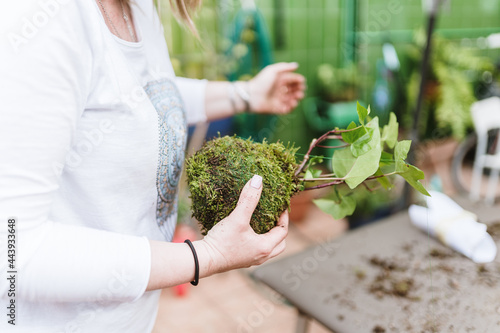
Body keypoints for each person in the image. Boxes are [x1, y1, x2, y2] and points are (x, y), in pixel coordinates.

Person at [0, 0, 305, 332]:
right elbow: (14, 255)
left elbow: (143, 99)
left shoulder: (139, 7)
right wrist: (208, 256)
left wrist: (245, 94)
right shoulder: (41, 19)